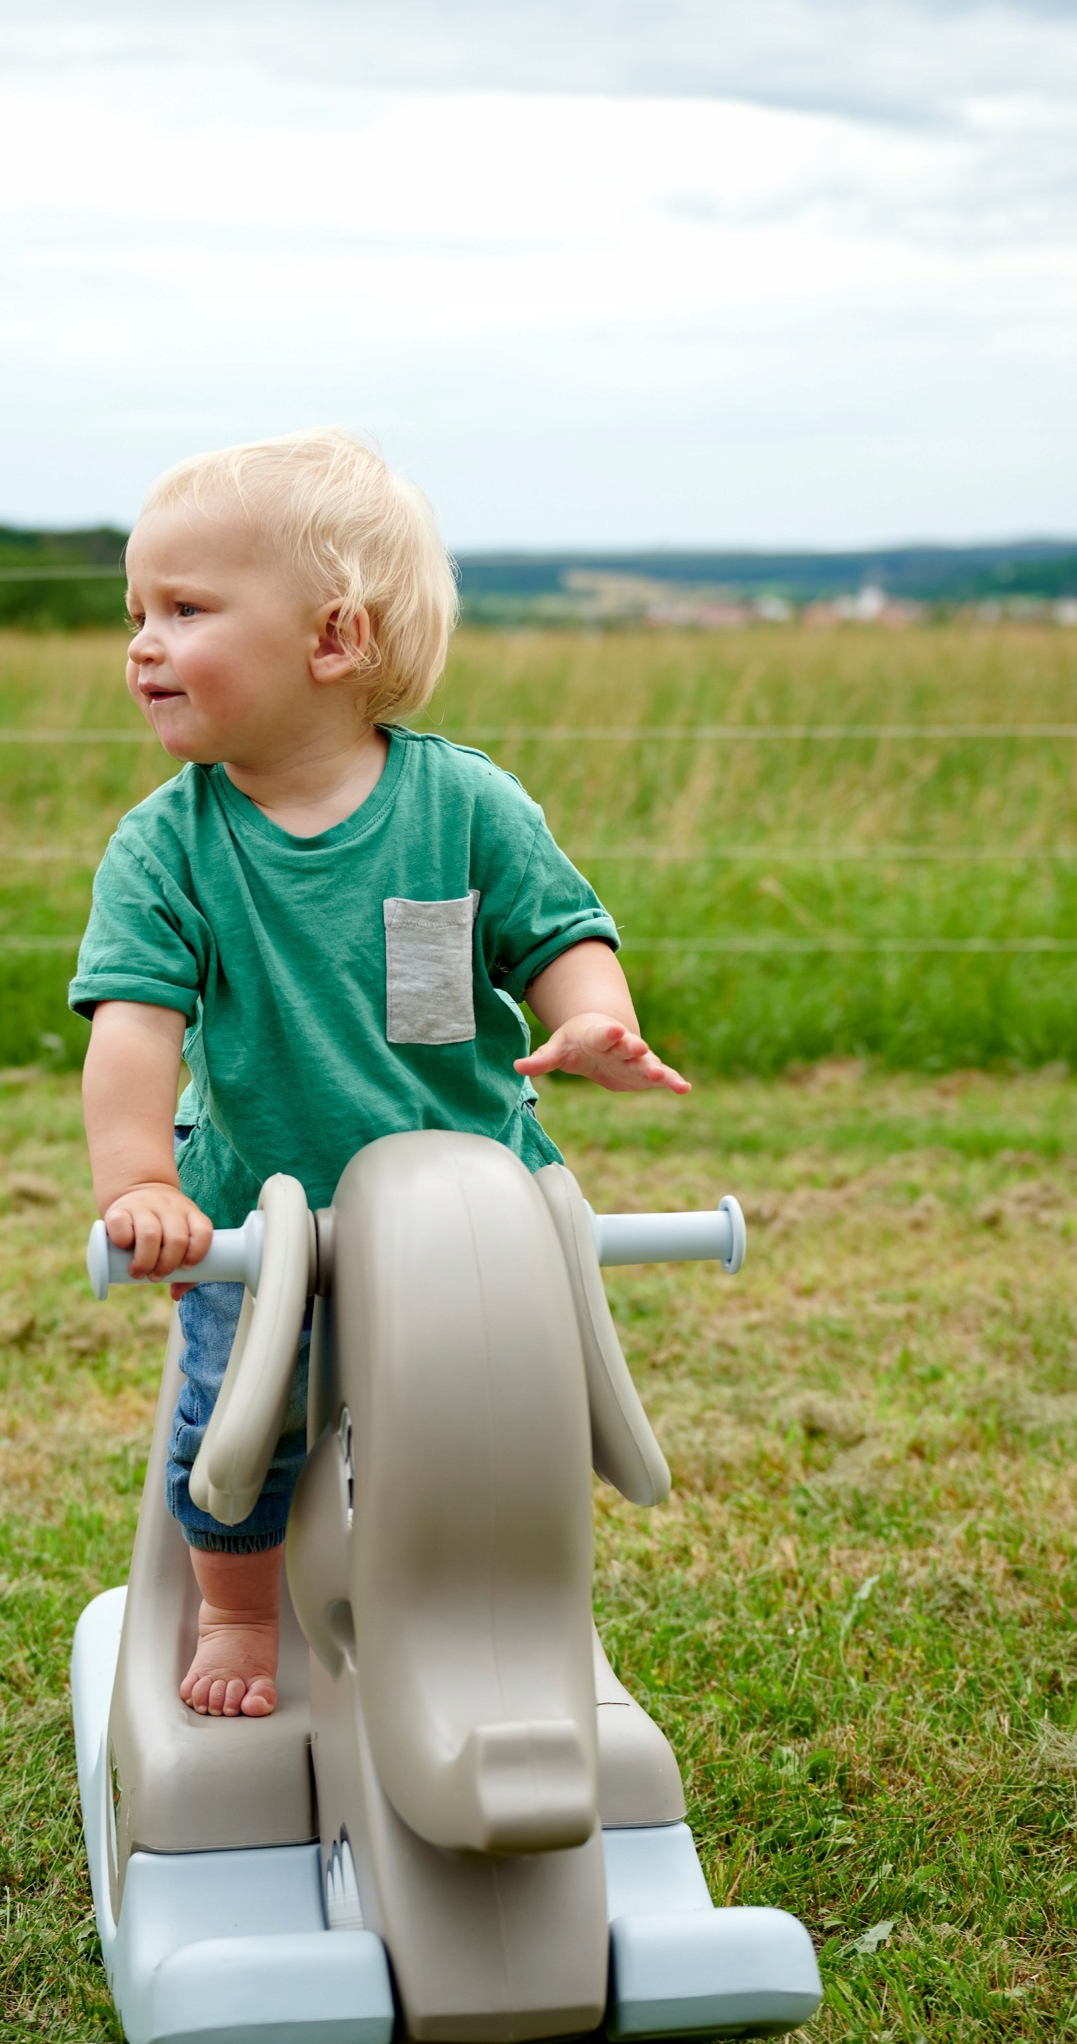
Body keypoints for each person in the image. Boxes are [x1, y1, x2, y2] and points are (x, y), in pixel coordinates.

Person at [71, 429, 688, 1719]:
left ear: (335, 639)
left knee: (505, 1420)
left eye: (184, 609)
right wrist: (141, 1183)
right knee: (241, 1421)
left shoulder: (464, 806)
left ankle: (506, 1613)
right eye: (134, 611)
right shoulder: (168, 846)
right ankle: (239, 1613)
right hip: (266, 1206)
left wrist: (592, 1019)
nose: (139, 643)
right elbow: (133, 1030)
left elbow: (561, 938)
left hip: (479, 1196)